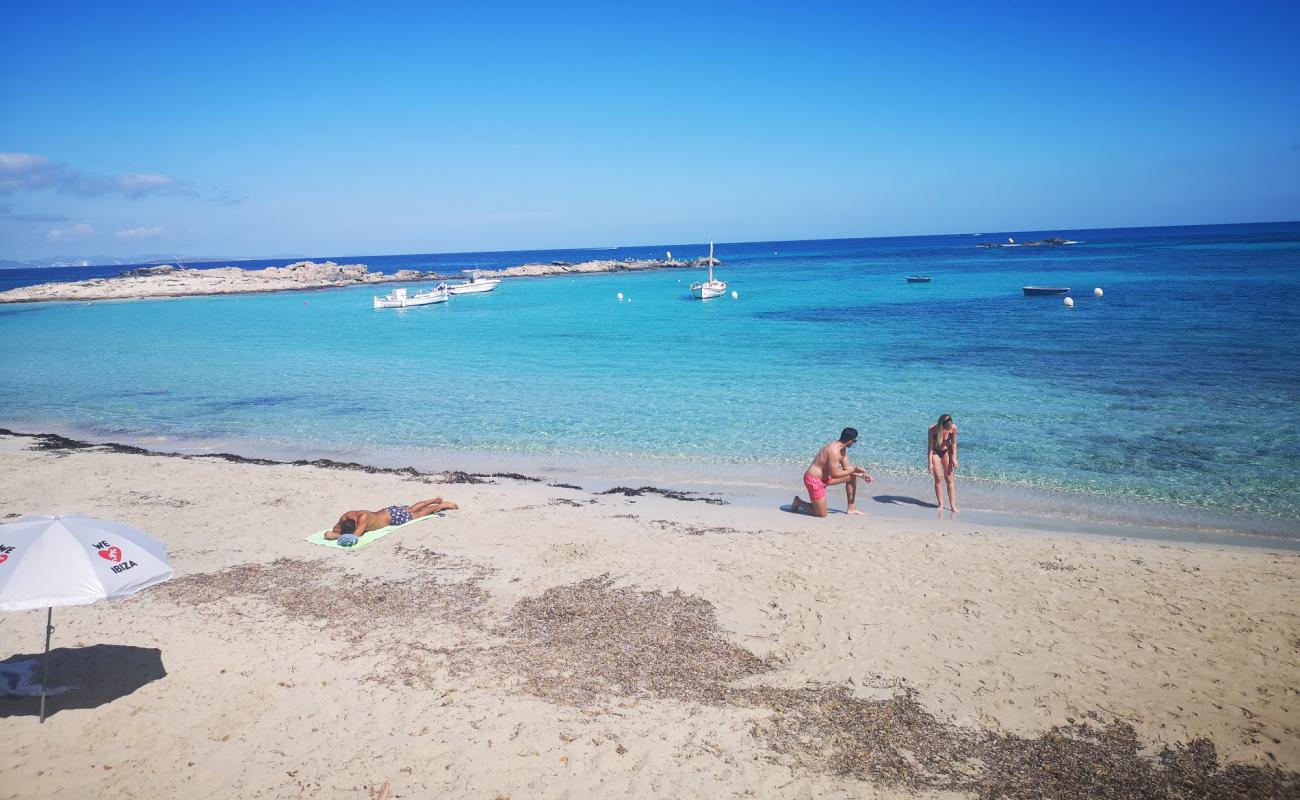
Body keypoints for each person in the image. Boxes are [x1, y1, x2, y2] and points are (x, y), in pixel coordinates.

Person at [791, 427, 874, 517]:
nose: (854, 443)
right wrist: (854, 469)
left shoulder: (842, 449)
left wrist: (861, 475)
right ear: (850, 440)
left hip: (825, 478)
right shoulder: (833, 451)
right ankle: (798, 502)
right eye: (855, 441)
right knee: (821, 514)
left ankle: (851, 508)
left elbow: (847, 468)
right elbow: (835, 474)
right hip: (814, 480)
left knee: (851, 477)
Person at [325, 497, 459, 540]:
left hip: (393, 517)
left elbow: (355, 537)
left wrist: (336, 536)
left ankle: (441, 505)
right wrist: (335, 532)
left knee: (420, 514)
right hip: (386, 511)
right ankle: (434, 499)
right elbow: (335, 529)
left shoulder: (363, 519)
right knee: (411, 509)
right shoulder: (347, 515)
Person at [928, 414, 959, 512]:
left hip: (946, 452)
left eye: (950, 427)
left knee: (949, 478)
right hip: (936, 452)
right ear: (942, 426)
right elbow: (930, 447)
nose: (949, 430)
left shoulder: (953, 428)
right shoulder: (932, 430)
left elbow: (954, 444)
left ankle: (953, 505)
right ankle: (940, 504)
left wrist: (954, 458)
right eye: (947, 428)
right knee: (938, 478)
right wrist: (929, 463)